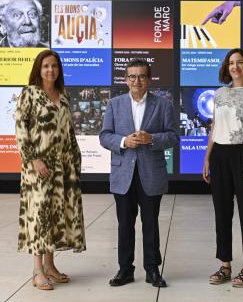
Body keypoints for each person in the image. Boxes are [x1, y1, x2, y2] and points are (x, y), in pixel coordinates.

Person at [99, 59, 179, 288]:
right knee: (125, 224)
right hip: (123, 174)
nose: (137, 81)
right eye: (132, 76)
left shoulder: (163, 105)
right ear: (126, 80)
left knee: (150, 223)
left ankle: (152, 270)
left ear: (149, 79)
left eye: (142, 76)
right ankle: (125, 270)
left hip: (151, 174)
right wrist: (124, 141)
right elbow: (104, 136)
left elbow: (173, 137)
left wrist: (151, 139)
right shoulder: (114, 104)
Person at [15, 49, 86, 290]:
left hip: (62, 167)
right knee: (39, 216)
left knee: (57, 215)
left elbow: (70, 133)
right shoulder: (30, 94)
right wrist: (33, 160)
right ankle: (37, 270)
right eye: (46, 66)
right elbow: (21, 131)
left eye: (54, 66)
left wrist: (76, 161)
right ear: (38, 69)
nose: (50, 70)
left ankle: (50, 265)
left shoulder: (63, 96)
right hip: (38, 168)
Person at [202, 48, 243, 287]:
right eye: (231, 63)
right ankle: (225, 265)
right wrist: (208, 157)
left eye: (240, 62)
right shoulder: (219, 94)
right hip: (220, 154)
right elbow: (215, 128)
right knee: (222, 212)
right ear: (226, 67)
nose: (235, 67)